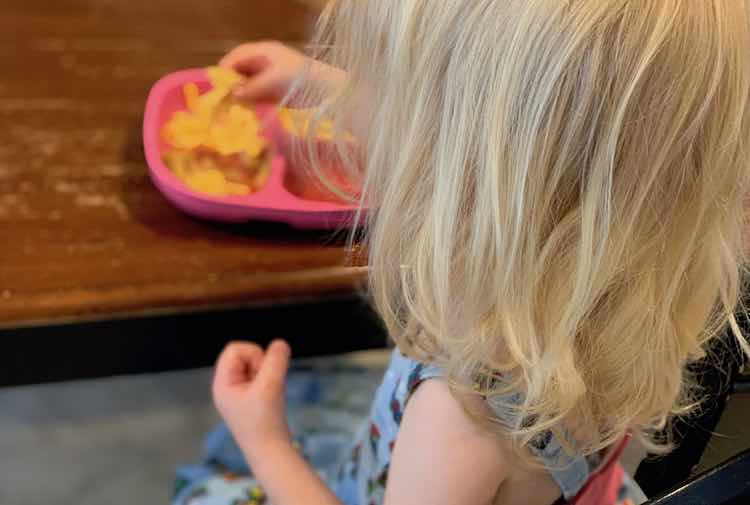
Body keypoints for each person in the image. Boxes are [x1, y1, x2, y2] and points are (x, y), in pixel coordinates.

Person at [174, 1, 750, 504]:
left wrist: (266, 440)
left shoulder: (460, 419)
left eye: (379, 85)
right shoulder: (657, 273)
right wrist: (309, 78)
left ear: (464, 182)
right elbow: (552, 141)